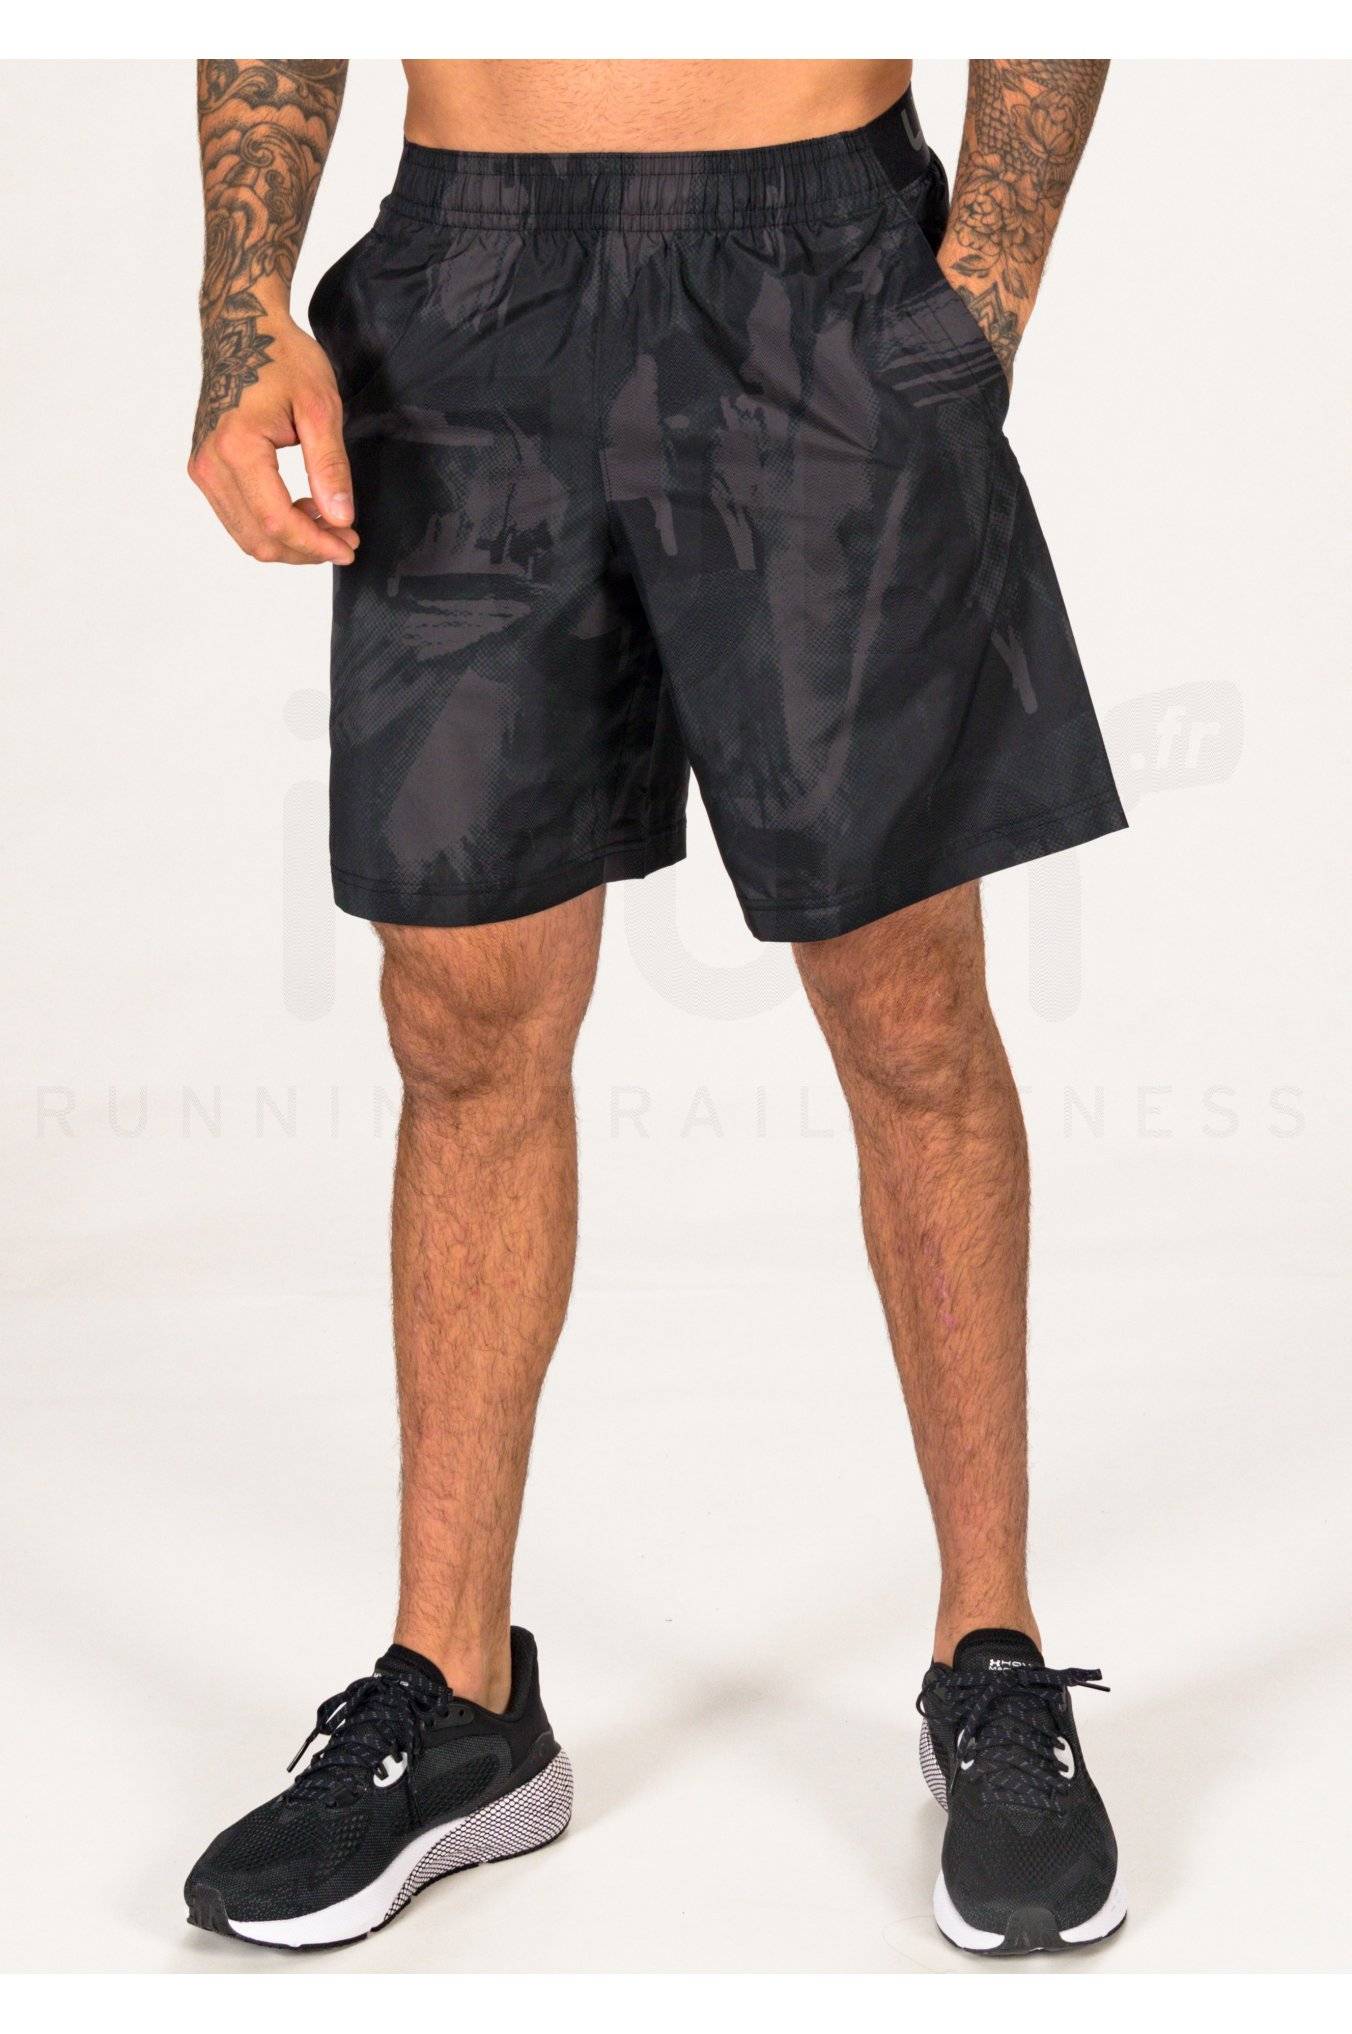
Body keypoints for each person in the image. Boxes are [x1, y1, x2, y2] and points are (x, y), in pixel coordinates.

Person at [184, 58, 1126, 1957]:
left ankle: (993, 1657)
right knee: (459, 1014)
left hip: (812, 257)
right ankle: (456, 1696)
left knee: (905, 1003)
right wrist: (240, 305)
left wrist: (980, 298)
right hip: (463, 291)